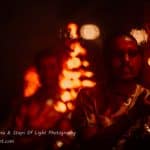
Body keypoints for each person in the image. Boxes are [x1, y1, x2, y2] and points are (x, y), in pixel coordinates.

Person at [71, 32, 150, 150]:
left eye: (132, 54)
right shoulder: (89, 97)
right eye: (119, 54)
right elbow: (90, 145)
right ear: (107, 59)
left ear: (140, 59)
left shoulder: (147, 96)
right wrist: (134, 114)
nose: (126, 60)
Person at [12, 48, 73, 150]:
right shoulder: (26, 104)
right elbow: (15, 137)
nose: (47, 72)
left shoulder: (72, 99)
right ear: (38, 71)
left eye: (52, 67)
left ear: (59, 69)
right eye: (43, 68)